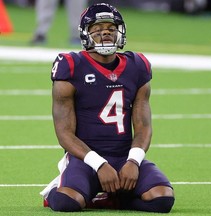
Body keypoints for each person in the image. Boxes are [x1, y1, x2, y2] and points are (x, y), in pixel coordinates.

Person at [40, 2, 175, 213]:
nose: (106, 34)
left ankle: (113, 199)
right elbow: (64, 134)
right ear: (86, 34)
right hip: (85, 159)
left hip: (123, 156)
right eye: (97, 29)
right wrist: (99, 164)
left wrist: (133, 160)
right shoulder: (71, 65)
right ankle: (55, 191)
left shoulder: (137, 65)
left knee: (162, 199)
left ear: (120, 32)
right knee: (68, 203)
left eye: (111, 29)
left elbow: (143, 126)